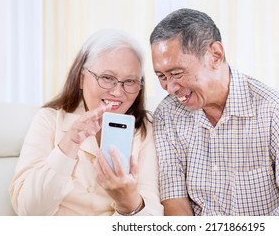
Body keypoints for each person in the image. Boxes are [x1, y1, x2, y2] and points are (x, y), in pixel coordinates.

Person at [149, 8, 279, 216]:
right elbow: (174, 201)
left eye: (176, 73)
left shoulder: (274, 109)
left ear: (215, 55)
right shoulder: (167, 114)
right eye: (162, 76)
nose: (170, 88)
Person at [9, 29, 163, 216]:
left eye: (130, 81)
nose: (117, 92)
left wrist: (128, 203)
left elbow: (152, 216)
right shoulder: (48, 120)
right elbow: (28, 211)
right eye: (107, 78)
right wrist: (68, 145)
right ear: (81, 79)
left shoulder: (146, 129)